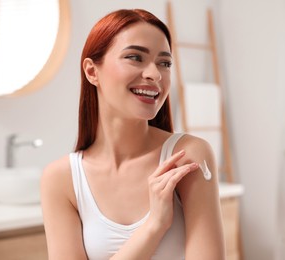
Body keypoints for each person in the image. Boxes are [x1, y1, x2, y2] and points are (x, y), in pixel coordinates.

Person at [41, 9, 226, 260]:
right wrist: (154, 226)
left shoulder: (187, 157)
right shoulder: (61, 179)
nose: (155, 74)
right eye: (135, 57)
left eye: (165, 63)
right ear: (92, 71)